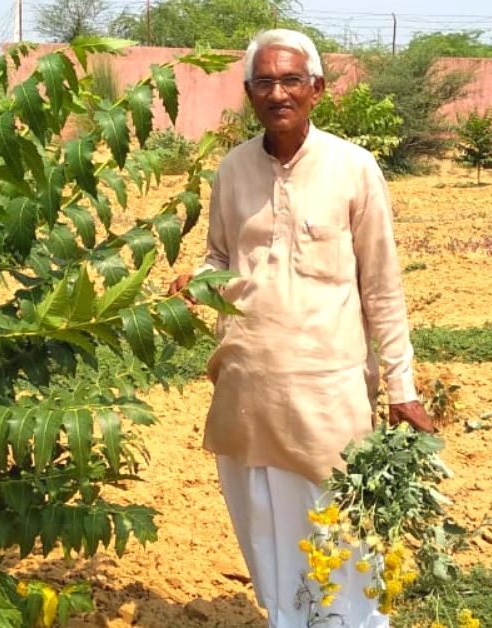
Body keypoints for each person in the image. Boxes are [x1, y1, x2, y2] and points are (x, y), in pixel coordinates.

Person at [168, 29, 431, 628]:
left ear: (316, 89)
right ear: (248, 93)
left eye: (291, 81)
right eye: (264, 82)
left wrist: (401, 387)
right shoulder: (233, 169)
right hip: (247, 383)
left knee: (336, 530)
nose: (277, 92)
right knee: (261, 523)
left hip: (328, 388)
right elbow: (218, 256)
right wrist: (196, 281)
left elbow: (382, 286)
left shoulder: (353, 168)